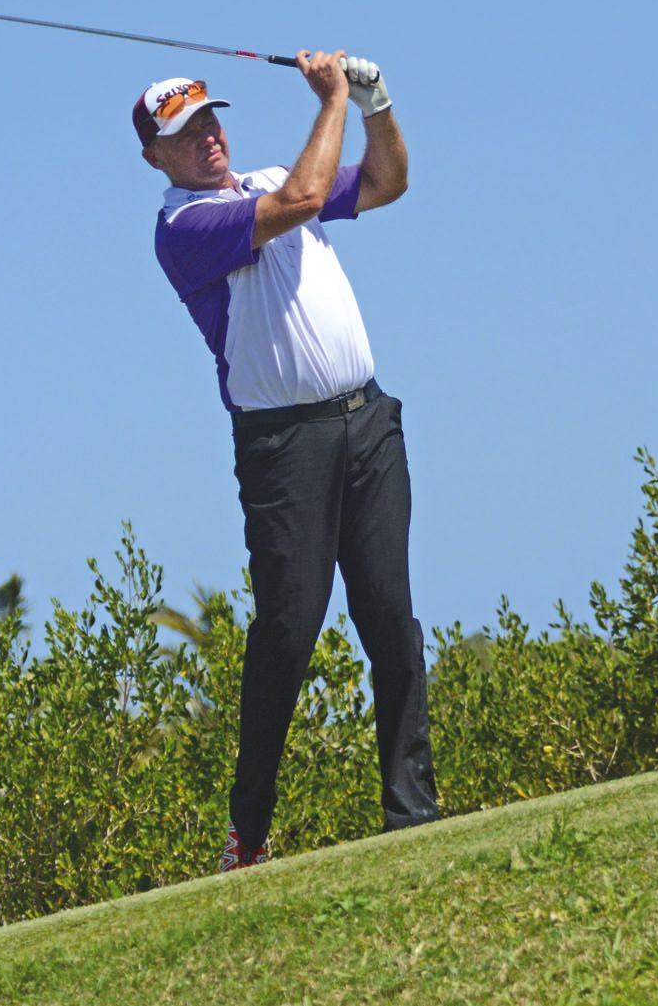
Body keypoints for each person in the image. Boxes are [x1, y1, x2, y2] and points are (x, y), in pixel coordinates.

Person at [134, 50, 437, 871]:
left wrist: (374, 100)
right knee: (287, 633)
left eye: (208, 121)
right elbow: (303, 198)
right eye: (183, 133)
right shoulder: (182, 229)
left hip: (367, 423)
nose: (205, 139)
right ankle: (249, 831)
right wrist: (331, 95)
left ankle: (412, 813)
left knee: (391, 619)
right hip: (282, 449)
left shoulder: (268, 174)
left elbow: (385, 182)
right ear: (153, 156)